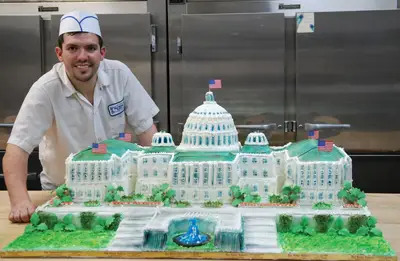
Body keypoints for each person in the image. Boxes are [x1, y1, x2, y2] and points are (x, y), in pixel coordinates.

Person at [3, 10, 159, 223]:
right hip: (62, 193)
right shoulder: (45, 90)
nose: (82, 56)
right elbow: (16, 151)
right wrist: (20, 201)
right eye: (73, 48)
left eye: (90, 48)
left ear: (102, 52)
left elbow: (147, 133)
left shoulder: (120, 75)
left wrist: (159, 181)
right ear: (59, 53)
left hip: (117, 191)